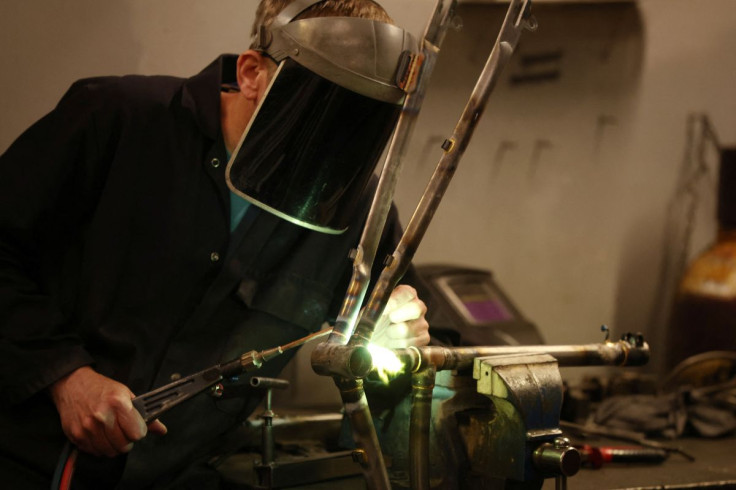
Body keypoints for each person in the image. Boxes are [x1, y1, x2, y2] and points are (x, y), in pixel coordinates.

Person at [0, 0, 429, 488]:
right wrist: (64, 376)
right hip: (23, 459)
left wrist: (405, 337)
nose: (331, 145)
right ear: (251, 74)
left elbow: (401, 355)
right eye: (321, 110)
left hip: (179, 475)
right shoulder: (115, 121)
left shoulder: (358, 211)